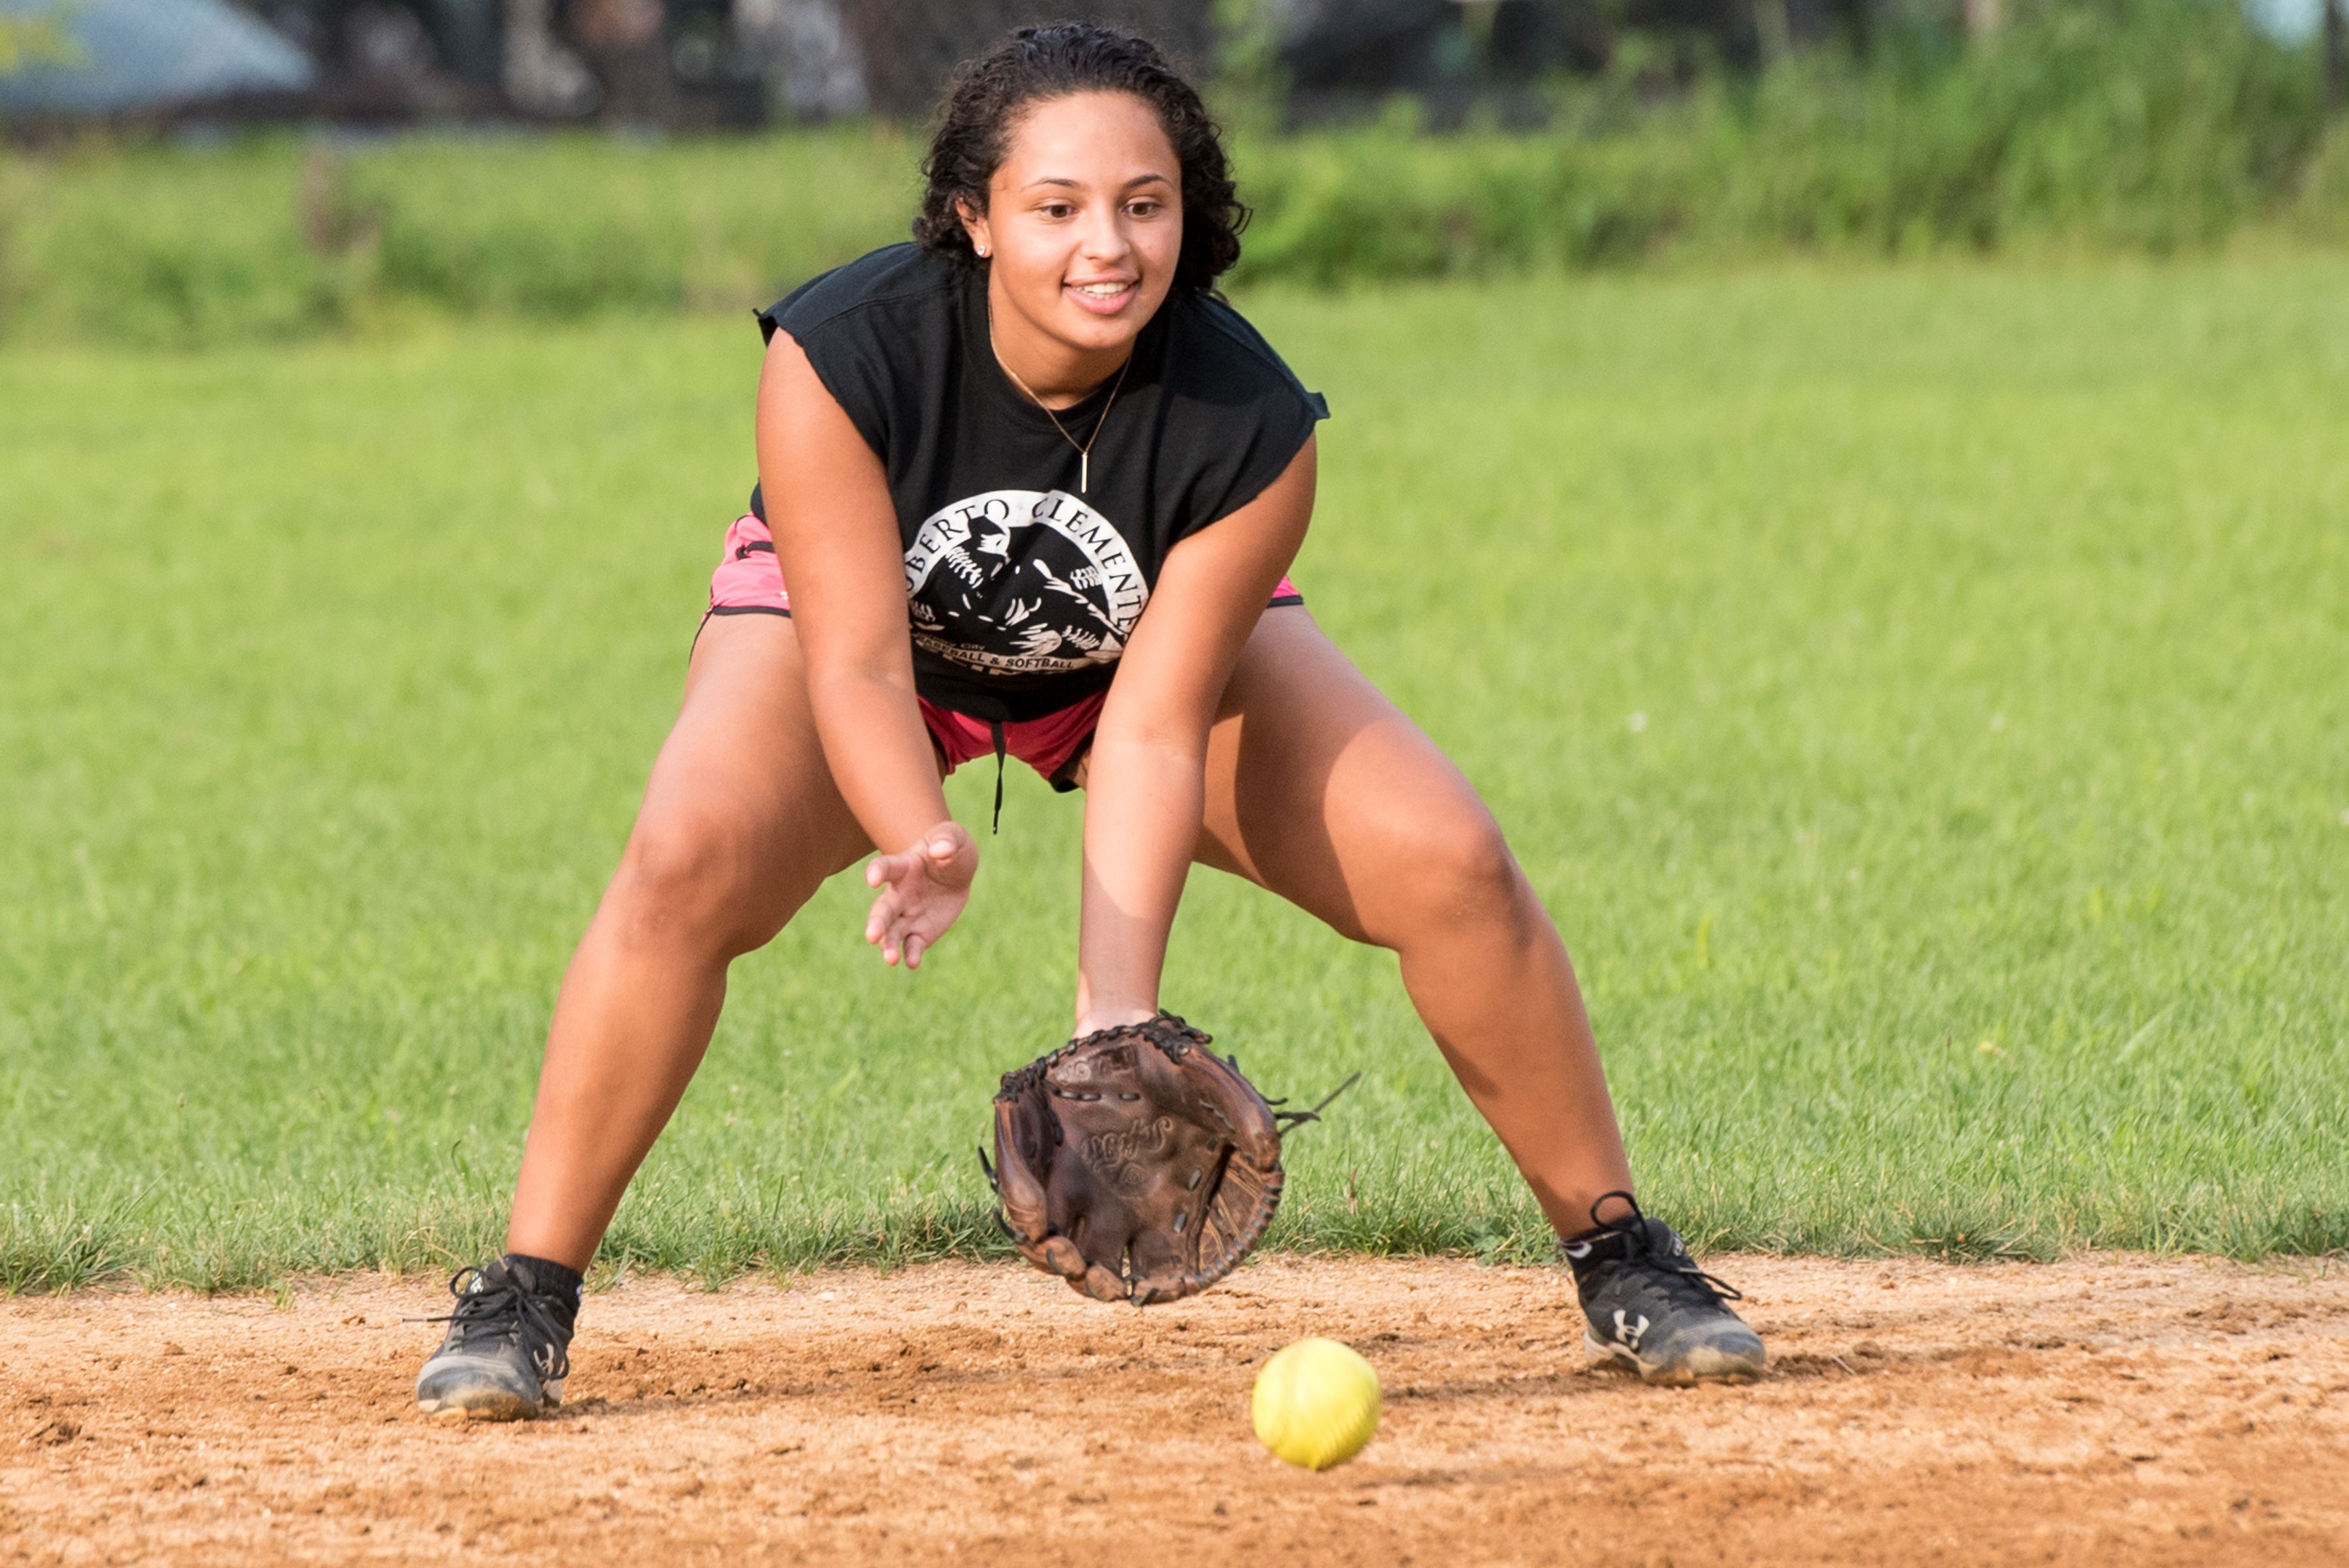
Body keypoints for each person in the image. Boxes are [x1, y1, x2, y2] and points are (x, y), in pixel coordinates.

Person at [414, 22, 1764, 1420]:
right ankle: (525, 1292)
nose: (1105, 244)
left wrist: (1114, 1014)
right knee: (686, 852)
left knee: (1452, 860)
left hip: (1122, 672)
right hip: (874, 648)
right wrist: (914, 828)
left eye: (1144, 203)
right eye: (1056, 207)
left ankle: (1622, 1255)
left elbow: (1159, 724)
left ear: (1189, 210)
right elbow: (862, 668)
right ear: (976, 216)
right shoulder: (840, 352)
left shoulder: (1248, 422)